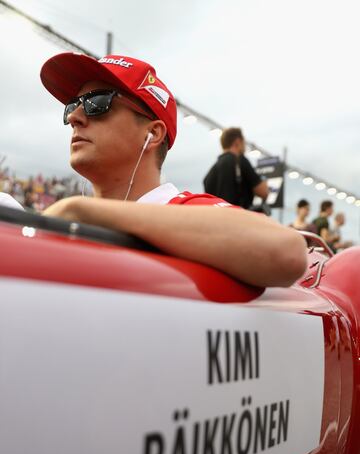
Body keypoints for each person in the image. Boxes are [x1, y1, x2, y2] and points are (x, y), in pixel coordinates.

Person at [40, 52, 307, 288]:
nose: (74, 117)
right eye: (73, 106)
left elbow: (288, 251)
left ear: (153, 133)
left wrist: (81, 212)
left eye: (97, 103)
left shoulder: (185, 208)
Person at [203, 127, 268, 209]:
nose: (244, 146)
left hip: (216, 219)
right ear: (238, 141)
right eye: (244, 143)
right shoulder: (239, 160)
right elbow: (263, 192)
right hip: (238, 218)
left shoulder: (210, 173)